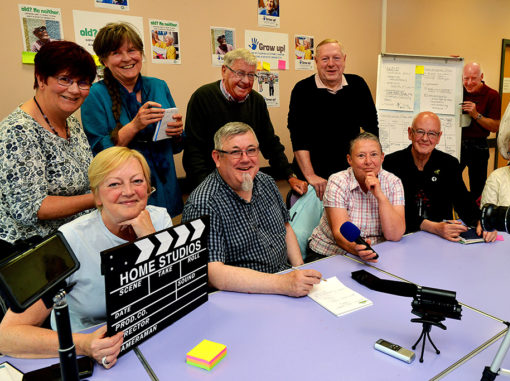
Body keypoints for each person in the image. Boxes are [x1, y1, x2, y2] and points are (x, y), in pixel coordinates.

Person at [0, 146, 172, 369]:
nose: (129, 191)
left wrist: (150, 240)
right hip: (89, 351)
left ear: (148, 188)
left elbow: (170, 293)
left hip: (148, 340)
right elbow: (6, 336)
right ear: (97, 196)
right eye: (114, 184)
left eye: (137, 181)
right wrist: (84, 344)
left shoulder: (160, 221)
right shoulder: (69, 242)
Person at [182, 122, 321, 296]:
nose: (246, 159)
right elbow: (213, 273)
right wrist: (283, 284)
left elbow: (285, 228)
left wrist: (299, 269)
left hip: (284, 280)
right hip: (242, 294)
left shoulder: (266, 182)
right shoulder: (203, 204)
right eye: (235, 152)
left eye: (251, 150)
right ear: (217, 158)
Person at [81, 22, 184, 217]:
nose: (127, 58)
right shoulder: (95, 95)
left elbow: (178, 147)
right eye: (116, 53)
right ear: (104, 60)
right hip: (126, 193)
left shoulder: (158, 86)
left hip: (166, 184)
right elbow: (98, 155)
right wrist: (135, 125)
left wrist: (176, 132)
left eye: (132, 50)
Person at [0, 41, 96, 244]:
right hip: (32, 248)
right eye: (64, 79)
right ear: (41, 79)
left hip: (74, 237)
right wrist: (99, 198)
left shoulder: (71, 123)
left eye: (83, 82)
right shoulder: (18, 131)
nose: (74, 90)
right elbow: (29, 208)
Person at [183, 48, 307, 194]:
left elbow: (270, 143)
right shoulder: (202, 97)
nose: (246, 81)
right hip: (210, 184)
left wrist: (289, 175)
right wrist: (207, 191)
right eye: (240, 73)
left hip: (245, 183)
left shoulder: (257, 101)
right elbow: (193, 151)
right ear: (224, 70)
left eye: (250, 75)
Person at [383, 112, 496, 242]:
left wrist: (481, 221)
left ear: (439, 137)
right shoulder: (391, 163)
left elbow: (463, 202)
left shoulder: (449, 163)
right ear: (410, 133)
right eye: (420, 132)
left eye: (432, 134)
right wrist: (432, 227)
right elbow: (391, 210)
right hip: (402, 237)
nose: (425, 138)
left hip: (441, 239)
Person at [287, 39, 378, 200]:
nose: (331, 64)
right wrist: (311, 175)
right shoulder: (302, 90)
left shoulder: (358, 85)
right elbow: (298, 137)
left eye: (336, 58)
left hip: (349, 176)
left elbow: (372, 129)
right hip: (314, 180)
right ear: (316, 61)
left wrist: (370, 170)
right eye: (325, 59)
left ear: (344, 59)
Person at [309, 133, 405, 260]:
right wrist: (357, 249)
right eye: (361, 156)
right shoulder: (337, 181)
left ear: (382, 158)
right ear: (350, 160)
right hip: (331, 252)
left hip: (377, 253)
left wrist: (380, 196)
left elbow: (395, 235)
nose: (368, 161)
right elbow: (340, 232)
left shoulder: (394, 182)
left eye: (374, 155)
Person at [460, 62, 501, 202]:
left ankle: (476, 219)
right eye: (466, 78)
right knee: (449, 180)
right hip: (457, 145)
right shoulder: (458, 90)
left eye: (473, 78)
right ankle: (463, 206)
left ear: (481, 77)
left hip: (478, 146)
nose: (469, 83)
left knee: (478, 188)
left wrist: (476, 114)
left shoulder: (492, 95)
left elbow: (495, 126)